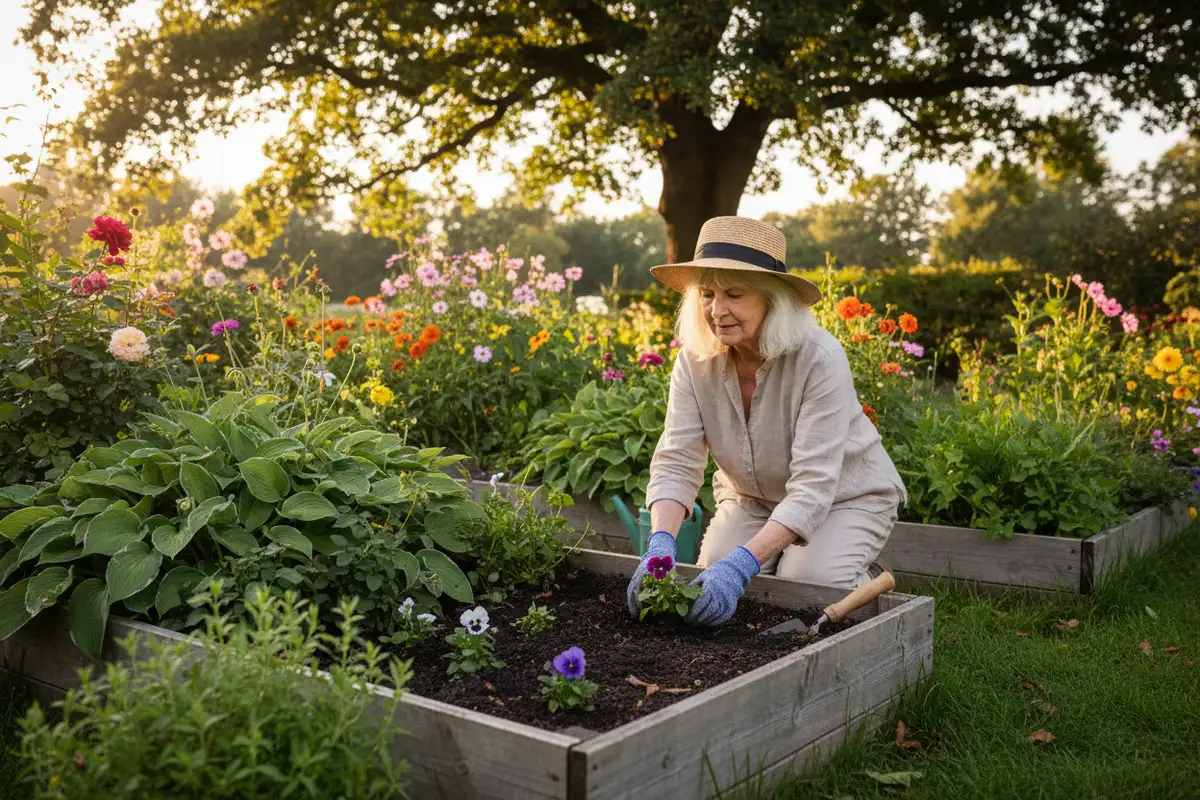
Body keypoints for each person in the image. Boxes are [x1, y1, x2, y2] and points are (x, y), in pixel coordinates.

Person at [626, 216, 906, 626]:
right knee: (710, 575)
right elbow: (677, 461)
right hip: (753, 498)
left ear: (773, 300)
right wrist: (660, 546)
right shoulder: (693, 361)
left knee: (808, 581)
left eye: (734, 294)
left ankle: (859, 571)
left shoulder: (820, 359)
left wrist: (742, 564)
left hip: (844, 497)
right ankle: (778, 556)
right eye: (707, 294)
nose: (716, 311)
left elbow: (813, 486)